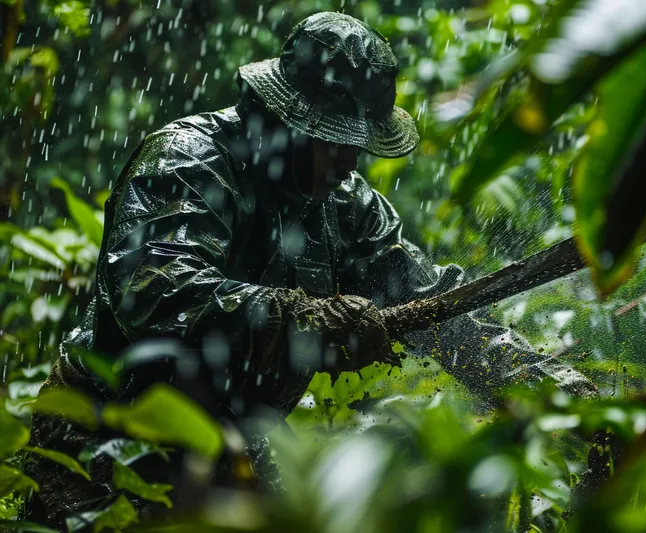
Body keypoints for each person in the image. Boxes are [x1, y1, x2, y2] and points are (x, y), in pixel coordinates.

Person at [25, 11, 596, 527]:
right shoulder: (187, 159)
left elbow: (439, 311)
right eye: (333, 141)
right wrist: (301, 317)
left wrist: (557, 395)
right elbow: (154, 294)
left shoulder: (344, 203)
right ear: (281, 121)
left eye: (356, 144)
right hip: (105, 431)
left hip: (233, 442)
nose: (350, 159)